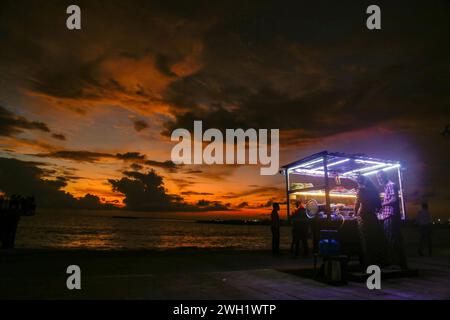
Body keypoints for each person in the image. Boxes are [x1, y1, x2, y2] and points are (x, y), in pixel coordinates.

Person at [377, 171, 408, 270]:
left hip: (390, 216)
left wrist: (382, 204)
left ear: (385, 176)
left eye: (381, 177)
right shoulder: (387, 186)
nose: (379, 180)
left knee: (391, 239)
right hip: (388, 216)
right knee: (392, 239)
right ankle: (398, 262)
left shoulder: (390, 185)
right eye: (378, 178)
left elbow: (394, 199)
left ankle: (397, 263)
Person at [354, 175, 387, 268]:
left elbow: (357, 204)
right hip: (372, 216)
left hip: (363, 216)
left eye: (358, 182)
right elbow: (379, 207)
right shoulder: (374, 191)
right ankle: (377, 262)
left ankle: (368, 263)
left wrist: (354, 214)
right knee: (374, 239)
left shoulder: (361, 190)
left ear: (360, 182)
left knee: (365, 240)